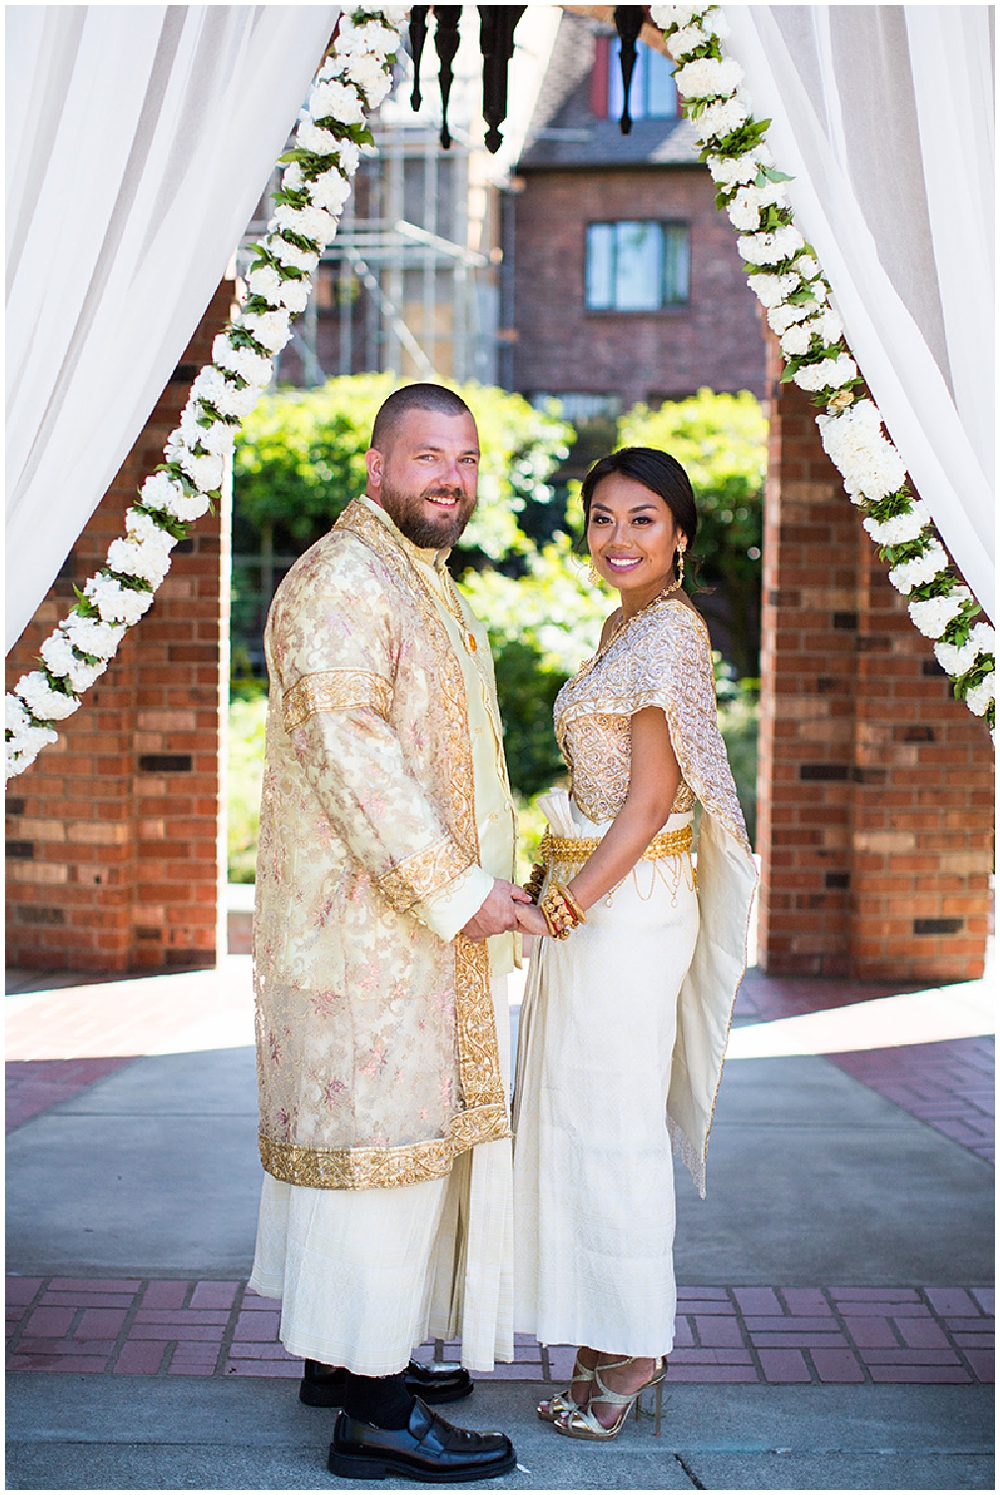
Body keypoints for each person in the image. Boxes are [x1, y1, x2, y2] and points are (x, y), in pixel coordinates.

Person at [249, 383, 530, 1482]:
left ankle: (349, 1353)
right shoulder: (345, 580)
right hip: (372, 937)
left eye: (465, 459)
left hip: (403, 933)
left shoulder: (408, 576)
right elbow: (354, 753)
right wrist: (463, 891)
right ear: (375, 466)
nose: (450, 478)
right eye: (427, 457)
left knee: (396, 1154)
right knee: (380, 1160)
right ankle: (372, 1410)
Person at [511, 447, 757, 1441]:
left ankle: (637, 1341)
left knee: (608, 1121)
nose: (618, 538)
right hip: (599, 901)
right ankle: (600, 1334)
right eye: (602, 518)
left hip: (628, 908)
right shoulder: (626, 625)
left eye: (642, 519)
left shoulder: (666, 634)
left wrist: (565, 904)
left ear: (680, 535)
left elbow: (653, 799)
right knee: (573, 1113)